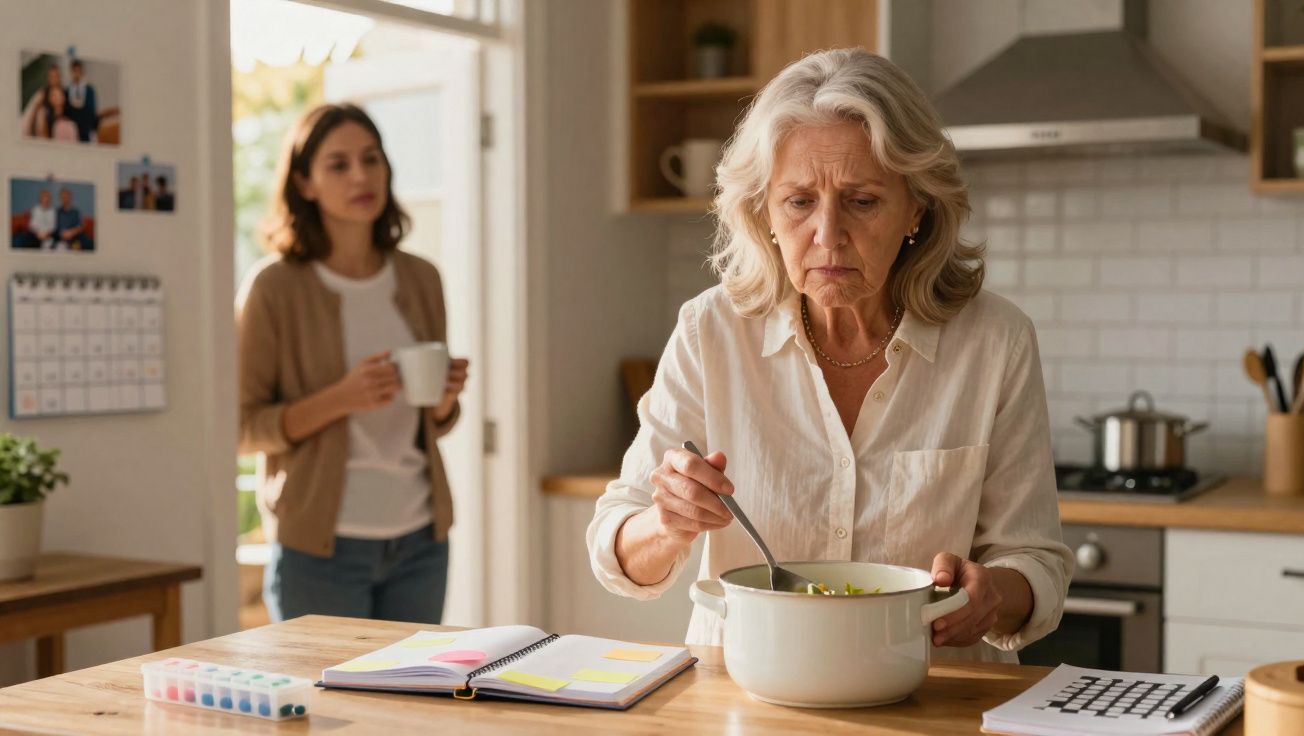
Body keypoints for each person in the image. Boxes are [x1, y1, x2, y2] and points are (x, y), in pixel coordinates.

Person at [586, 48, 1073, 663]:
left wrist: (994, 595)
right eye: (798, 202)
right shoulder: (710, 330)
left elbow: (1036, 562)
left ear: (915, 210)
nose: (827, 234)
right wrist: (666, 524)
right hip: (745, 696)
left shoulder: (995, 340)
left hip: (929, 700)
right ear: (764, 210)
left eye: (862, 200)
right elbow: (616, 543)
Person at [237, 103, 470, 624]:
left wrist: (445, 400)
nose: (361, 176)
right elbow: (243, 428)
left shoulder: (420, 278)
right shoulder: (273, 288)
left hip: (421, 541)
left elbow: (433, 422)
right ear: (305, 183)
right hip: (320, 550)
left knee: (411, 704)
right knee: (324, 705)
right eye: (338, 165)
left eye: (371, 159)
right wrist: (341, 398)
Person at [65, 58, 98, 143]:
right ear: (71, 72)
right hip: (71, 131)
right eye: (74, 71)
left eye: (78, 71)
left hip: (87, 131)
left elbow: (92, 110)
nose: (77, 74)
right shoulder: (67, 91)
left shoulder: (89, 89)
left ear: (82, 72)